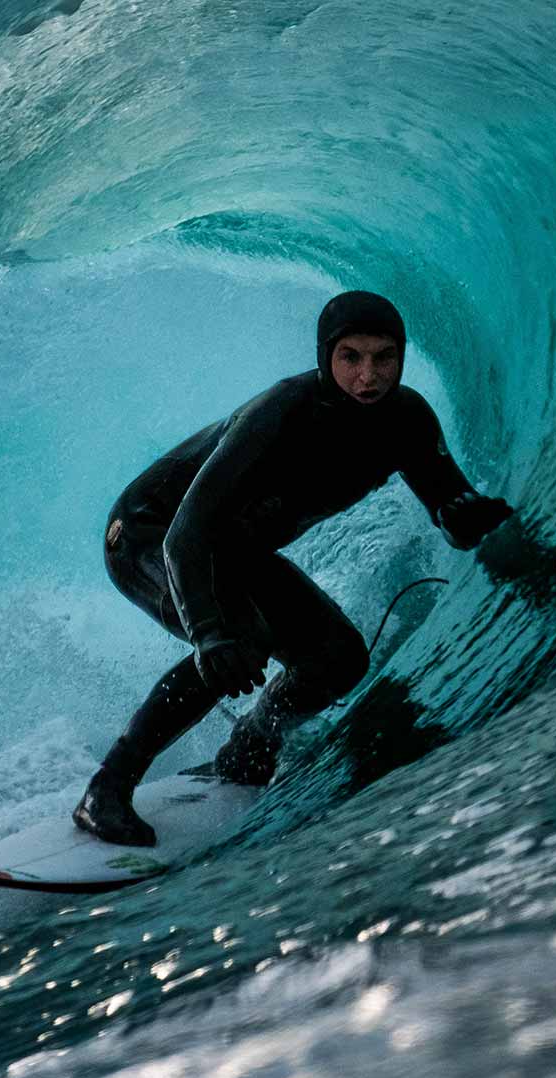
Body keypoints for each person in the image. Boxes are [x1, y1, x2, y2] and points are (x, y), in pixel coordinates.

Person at [74, 290, 514, 846]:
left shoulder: (406, 421)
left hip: (236, 551)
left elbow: (449, 513)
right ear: (326, 356)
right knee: (240, 641)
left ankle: (250, 748)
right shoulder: (280, 414)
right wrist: (209, 635)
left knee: (339, 659)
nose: (368, 375)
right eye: (351, 357)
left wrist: (466, 517)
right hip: (148, 535)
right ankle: (106, 789)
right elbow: (187, 534)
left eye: (385, 357)